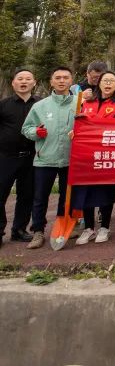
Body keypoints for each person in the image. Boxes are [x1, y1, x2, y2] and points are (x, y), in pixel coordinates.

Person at [21, 66, 76, 249]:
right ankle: (38, 231)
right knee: (40, 197)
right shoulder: (40, 106)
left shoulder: (80, 103)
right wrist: (36, 132)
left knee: (66, 195)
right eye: (57, 77)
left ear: (71, 80)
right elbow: (26, 129)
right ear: (51, 81)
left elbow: (90, 126)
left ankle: (63, 226)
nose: (61, 81)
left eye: (65, 77)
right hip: (45, 157)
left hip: (72, 158)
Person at [73, 70, 115, 245]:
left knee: (106, 190)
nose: (108, 84)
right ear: (99, 83)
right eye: (105, 80)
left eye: (112, 81)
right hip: (86, 154)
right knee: (86, 190)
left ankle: (105, 227)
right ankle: (88, 228)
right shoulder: (85, 102)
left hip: (108, 153)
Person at [0, 68, 39, 247]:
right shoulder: (4, 104)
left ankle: (19, 230)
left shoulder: (41, 104)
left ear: (34, 83)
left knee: (27, 194)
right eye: (20, 79)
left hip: (32, 157)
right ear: (13, 83)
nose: (24, 82)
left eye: (28, 79)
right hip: (6, 157)